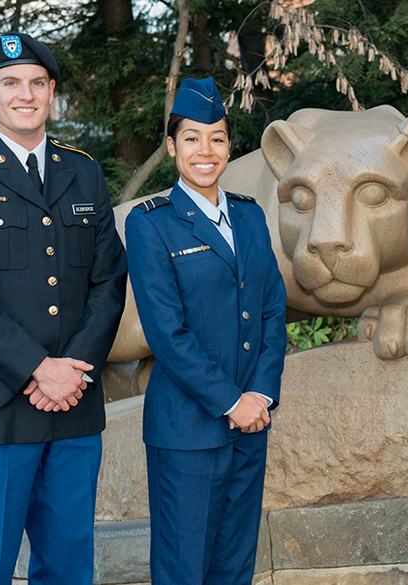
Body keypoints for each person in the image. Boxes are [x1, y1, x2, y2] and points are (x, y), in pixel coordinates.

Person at [0, 32, 127, 585]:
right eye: (10, 83)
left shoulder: (84, 172)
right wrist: (37, 369)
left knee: (70, 565)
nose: (23, 94)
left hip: (73, 404)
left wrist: (71, 371)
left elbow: (109, 280)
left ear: (52, 92)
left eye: (36, 83)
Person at [125, 77, 287, 585]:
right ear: (172, 146)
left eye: (217, 137)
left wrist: (259, 394)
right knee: (183, 567)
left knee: (236, 564)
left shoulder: (250, 216)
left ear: (229, 146)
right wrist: (230, 400)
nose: (205, 150)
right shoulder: (150, 223)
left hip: (250, 422)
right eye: (191, 138)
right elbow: (167, 333)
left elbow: (271, 310)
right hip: (187, 430)